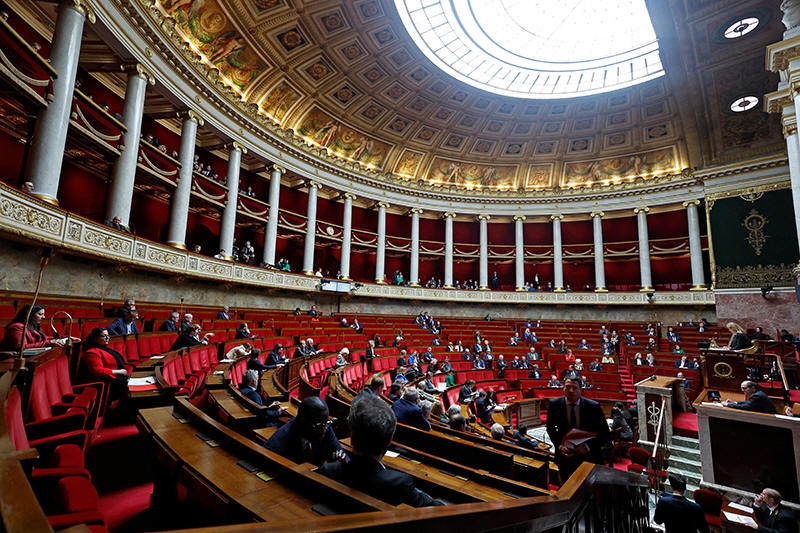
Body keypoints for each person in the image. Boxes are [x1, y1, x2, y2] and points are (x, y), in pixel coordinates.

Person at [318, 395, 441, 507]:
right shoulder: (399, 484)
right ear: (390, 441)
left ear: (351, 437)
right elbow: (438, 509)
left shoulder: (327, 471)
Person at [546, 378, 610, 481]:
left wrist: (587, 447)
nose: (571, 390)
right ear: (563, 388)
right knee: (566, 484)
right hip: (564, 456)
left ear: (581, 390)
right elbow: (550, 428)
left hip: (588, 456)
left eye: (575, 387)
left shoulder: (593, 406)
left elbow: (604, 433)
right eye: (568, 387)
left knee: (587, 486)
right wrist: (559, 446)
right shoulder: (554, 404)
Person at [264, 396, 345, 467]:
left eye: (326, 423)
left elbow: (339, 452)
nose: (323, 430)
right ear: (302, 422)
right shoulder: (277, 445)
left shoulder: (324, 426)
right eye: (318, 425)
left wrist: (342, 460)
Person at [0, 304, 79, 351]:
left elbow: (43, 338)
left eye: (43, 314)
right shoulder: (17, 327)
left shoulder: (32, 326)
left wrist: (65, 337)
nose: (43, 317)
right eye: (40, 314)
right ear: (30, 315)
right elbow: (21, 347)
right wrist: (50, 342)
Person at [81, 327, 128, 402]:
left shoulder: (105, 348)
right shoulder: (92, 352)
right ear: (95, 339)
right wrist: (119, 371)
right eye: (103, 336)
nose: (107, 338)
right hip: (104, 381)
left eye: (108, 335)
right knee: (127, 383)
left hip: (111, 377)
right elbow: (97, 371)